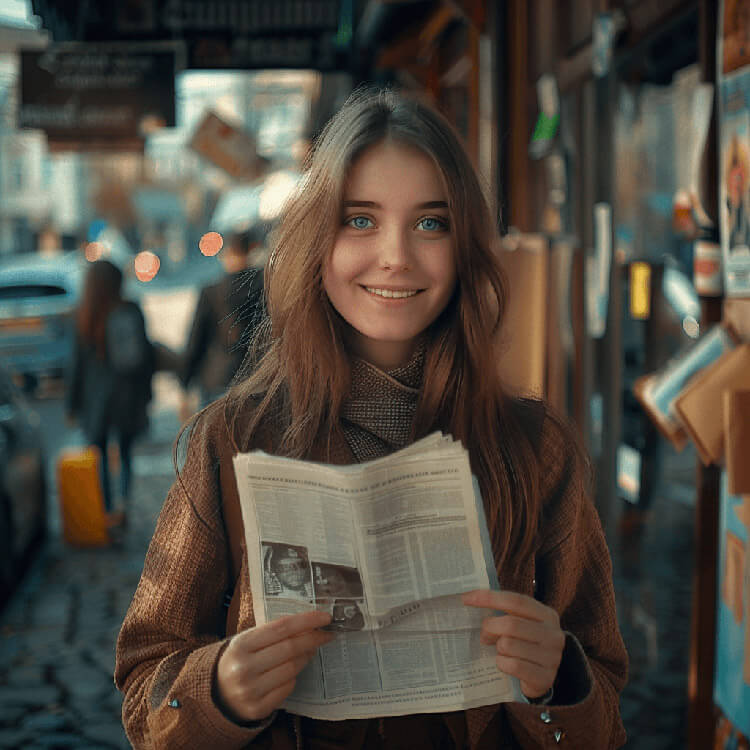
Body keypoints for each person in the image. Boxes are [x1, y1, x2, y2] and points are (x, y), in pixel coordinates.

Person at [115, 88, 628, 748]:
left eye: (431, 223)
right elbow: (141, 681)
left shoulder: (536, 449)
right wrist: (218, 690)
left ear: (465, 244)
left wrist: (560, 679)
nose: (395, 255)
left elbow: (606, 702)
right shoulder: (233, 441)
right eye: (360, 220)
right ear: (316, 238)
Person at [67, 259, 153, 515]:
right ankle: (124, 504)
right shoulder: (131, 310)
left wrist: (72, 404)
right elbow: (146, 357)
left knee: (100, 456)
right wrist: (147, 394)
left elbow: (76, 366)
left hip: (96, 401)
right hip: (127, 396)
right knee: (126, 453)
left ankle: (105, 509)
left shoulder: (84, 316)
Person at [179, 227, 267, 420]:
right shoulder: (266, 288)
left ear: (226, 254)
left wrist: (184, 385)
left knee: (216, 443)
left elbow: (196, 339)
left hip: (215, 379)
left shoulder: (211, 291)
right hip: (257, 378)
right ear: (251, 252)